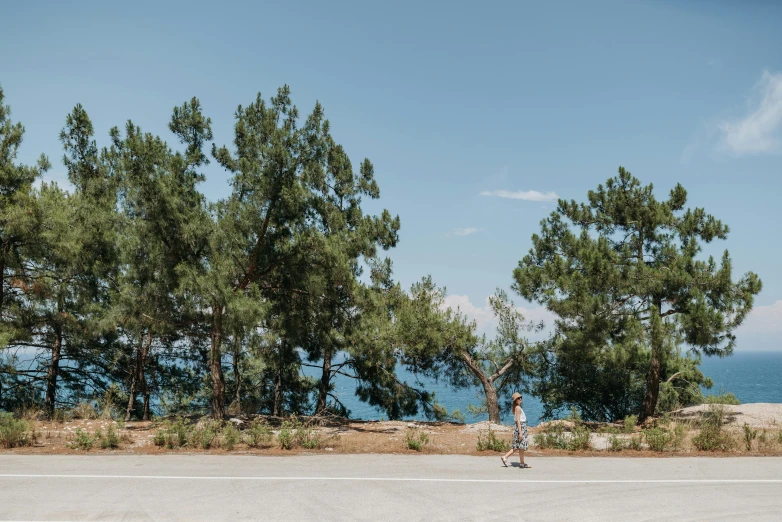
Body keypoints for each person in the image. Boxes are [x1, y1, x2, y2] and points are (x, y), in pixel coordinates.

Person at [501, 392, 530, 469]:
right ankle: (505, 457)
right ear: (516, 400)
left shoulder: (518, 407)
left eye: (521, 397)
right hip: (520, 428)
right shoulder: (518, 408)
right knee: (518, 446)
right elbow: (518, 421)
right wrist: (520, 433)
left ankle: (522, 463)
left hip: (522, 428)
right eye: (518, 398)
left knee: (521, 447)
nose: (520, 399)